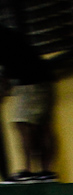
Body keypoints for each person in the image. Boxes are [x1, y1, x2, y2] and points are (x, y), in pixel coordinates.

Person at [0, 26, 57, 183]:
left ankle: (29, 171)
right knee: (40, 125)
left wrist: (3, 93)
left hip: (32, 85)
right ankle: (45, 172)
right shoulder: (9, 35)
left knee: (24, 124)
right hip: (40, 81)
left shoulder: (4, 38)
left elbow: (4, 76)